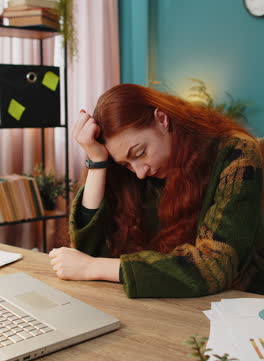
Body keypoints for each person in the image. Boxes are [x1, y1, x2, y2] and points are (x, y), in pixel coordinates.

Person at [49, 84, 264, 298]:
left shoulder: (236, 153)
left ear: (162, 119)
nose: (140, 172)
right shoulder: (136, 175)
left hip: (233, 305)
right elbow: (86, 252)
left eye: (140, 152)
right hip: (158, 303)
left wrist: (93, 267)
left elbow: (214, 267)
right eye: (126, 164)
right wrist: (96, 162)